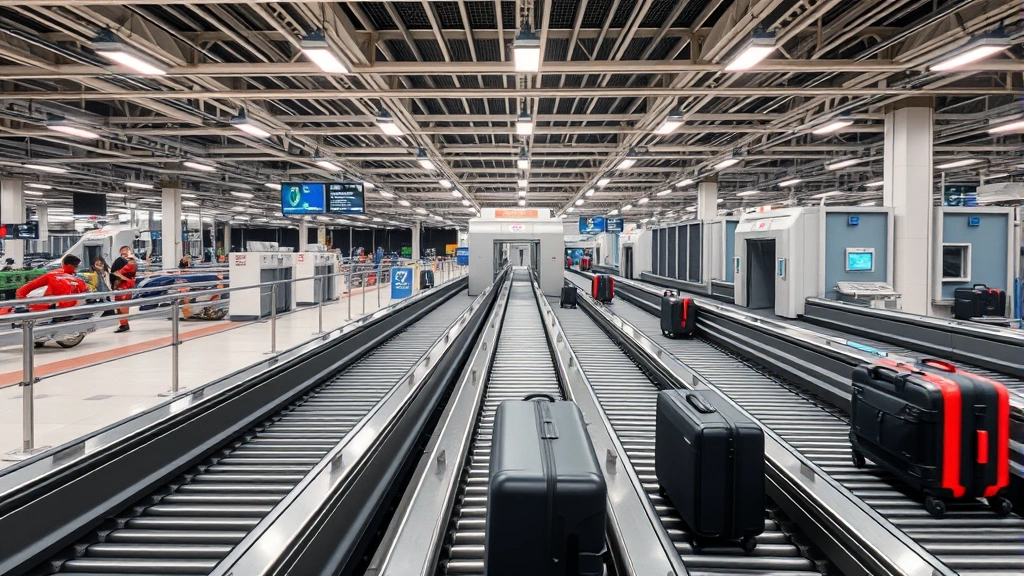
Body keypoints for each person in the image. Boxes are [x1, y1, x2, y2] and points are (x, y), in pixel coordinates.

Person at [16, 254, 88, 312]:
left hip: (60, 311)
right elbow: (22, 290)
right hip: (55, 311)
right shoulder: (54, 275)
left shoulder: (77, 279)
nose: (77, 268)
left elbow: (22, 291)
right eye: (76, 266)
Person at [112, 260, 136, 333]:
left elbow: (131, 282)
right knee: (119, 309)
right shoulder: (126, 267)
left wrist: (120, 276)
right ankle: (123, 324)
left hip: (124, 292)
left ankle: (124, 324)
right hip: (120, 291)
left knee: (123, 309)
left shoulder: (129, 271)